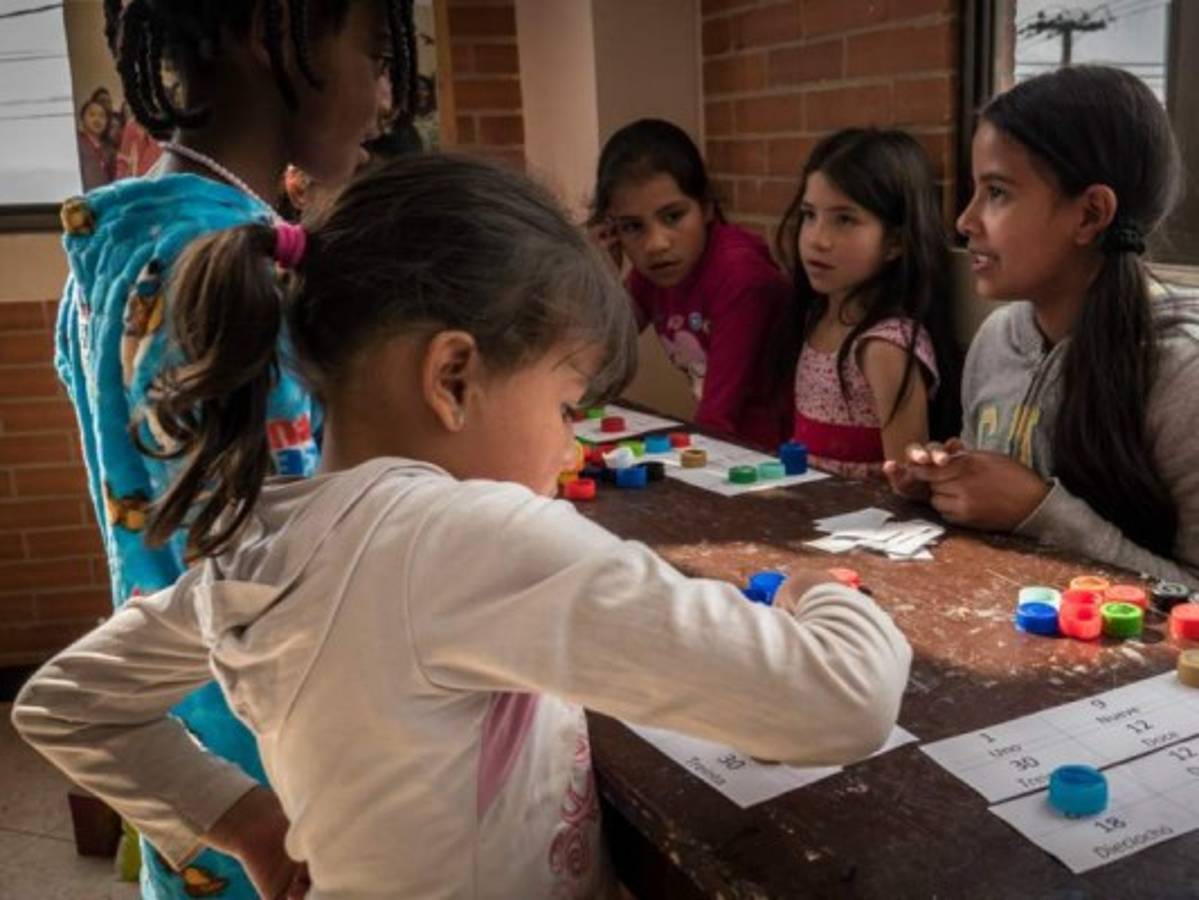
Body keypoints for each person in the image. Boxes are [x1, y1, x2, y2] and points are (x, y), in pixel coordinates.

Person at [17, 154, 912, 899]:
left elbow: (65, 704)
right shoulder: (460, 539)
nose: (567, 449)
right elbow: (839, 699)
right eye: (566, 406)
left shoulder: (255, 546)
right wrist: (819, 597)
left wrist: (247, 822)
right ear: (452, 376)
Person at [53, 1, 417, 896]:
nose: (384, 98)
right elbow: (282, 588)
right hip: (270, 804)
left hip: (185, 765)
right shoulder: (223, 274)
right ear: (271, 28)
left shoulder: (118, 246)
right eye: (375, 54)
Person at [885, 65, 1199, 586]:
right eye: (974, 190)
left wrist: (1040, 511)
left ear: (1090, 214)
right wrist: (949, 487)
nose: (965, 221)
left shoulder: (1182, 376)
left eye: (999, 192)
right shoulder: (997, 340)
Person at [591, 118, 793, 449]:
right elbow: (593, 360)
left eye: (673, 216)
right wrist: (598, 275)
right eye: (632, 227)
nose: (656, 244)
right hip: (731, 448)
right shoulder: (652, 273)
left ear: (707, 206)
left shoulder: (741, 276)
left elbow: (718, 416)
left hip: (781, 457)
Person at [775, 128, 960, 480]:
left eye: (844, 219)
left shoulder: (886, 346)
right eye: (810, 214)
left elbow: (907, 484)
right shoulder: (817, 316)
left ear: (894, 242)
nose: (817, 239)